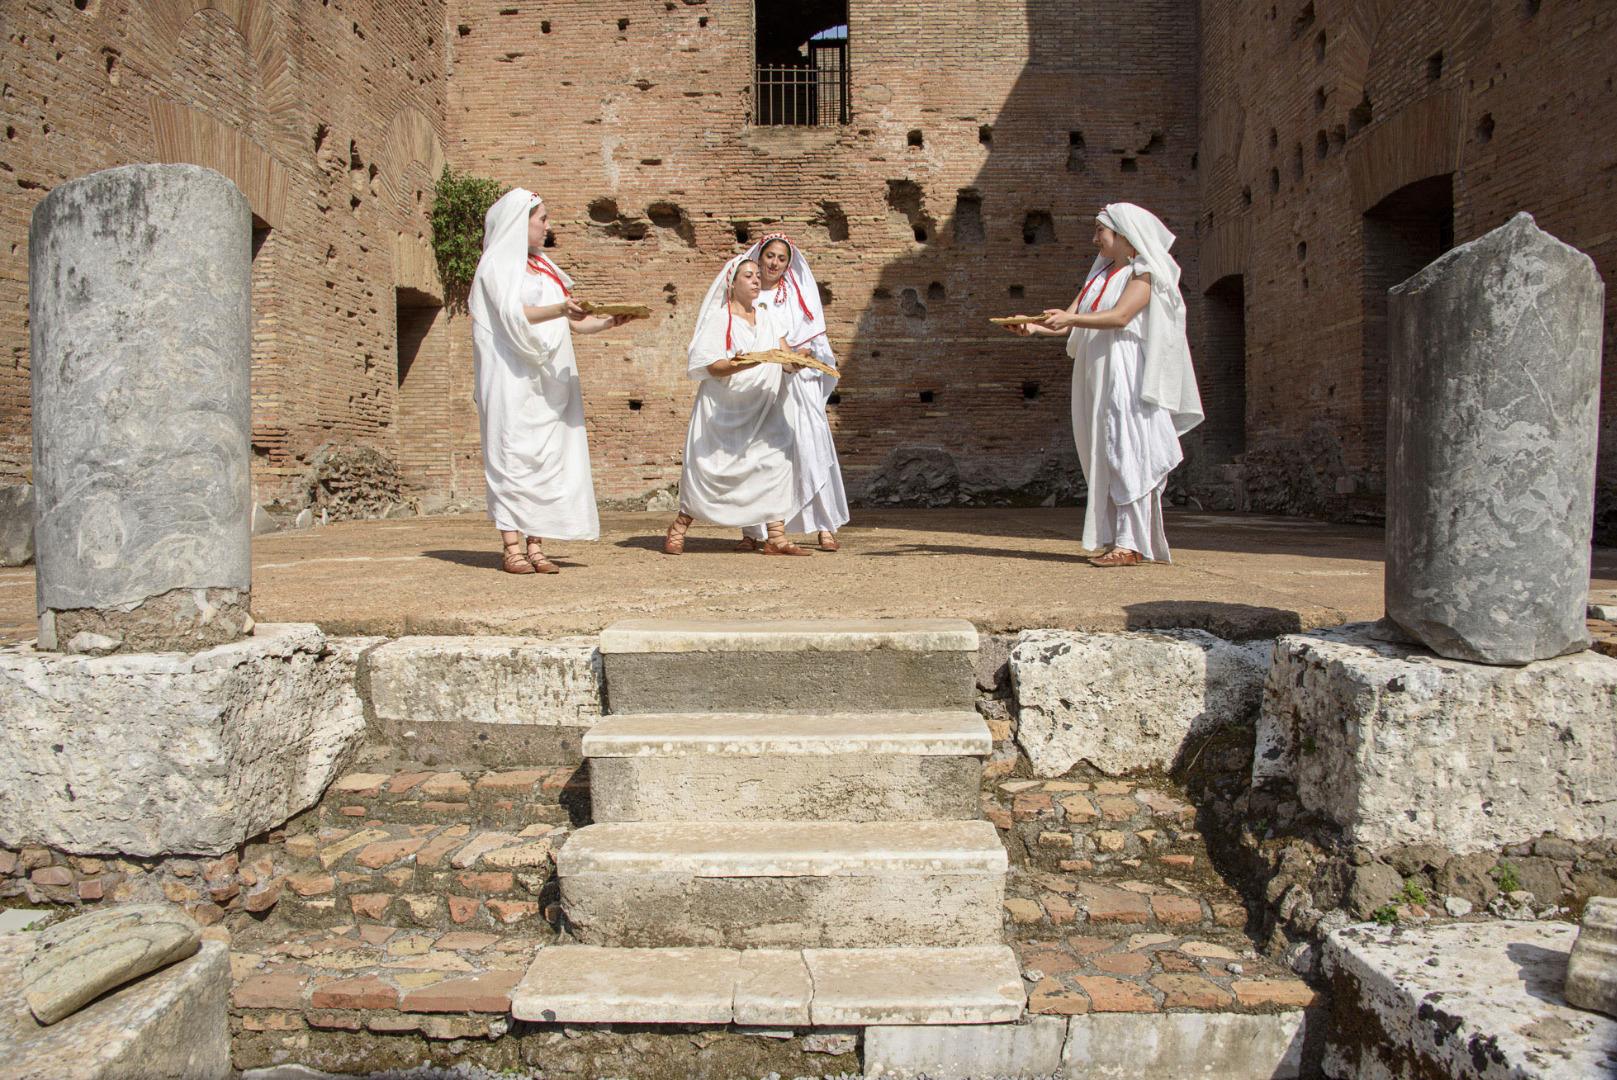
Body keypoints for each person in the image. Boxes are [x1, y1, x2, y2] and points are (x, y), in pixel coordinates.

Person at [1006, 202, 1202, 566]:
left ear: (1126, 238)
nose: (1095, 238)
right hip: (1096, 369)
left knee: (1125, 446)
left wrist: (1073, 316)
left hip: (1125, 370)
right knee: (1102, 448)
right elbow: (1067, 323)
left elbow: (1121, 316)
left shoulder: (1143, 274)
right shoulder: (1098, 277)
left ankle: (1130, 544)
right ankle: (1118, 539)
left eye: (1101, 231)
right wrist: (1030, 325)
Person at [469, 189, 627, 574]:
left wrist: (608, 321)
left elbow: (572, 320)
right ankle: (511, 547)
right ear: (518, 222)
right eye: (542, 218)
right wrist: (559, 308)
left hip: (549, 378)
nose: (548, 226)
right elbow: (512, 315)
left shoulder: (546, 268)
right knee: (511, 454)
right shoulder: (495, 266)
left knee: (547, 457)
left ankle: (536, 545)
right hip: (512, 376)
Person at [664, 255, 813, 556]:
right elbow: (712, 366)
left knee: (775, 462)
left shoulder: (769, 316)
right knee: (716, 472)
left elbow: (784, 361)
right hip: (727, 408)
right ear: (732, 284)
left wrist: (799, 361)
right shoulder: (720, 319)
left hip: (765, 405)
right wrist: (746, 363)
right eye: (748, 276)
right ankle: (679, 526)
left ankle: (776, 537)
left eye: (758, 275)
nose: (757, 280)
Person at [735, 233, 849, 552]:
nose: (774, 263)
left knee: (810, 448)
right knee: (759, 454)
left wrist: (806, 357)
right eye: (769, 256)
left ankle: (824, 526)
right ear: (759, 256)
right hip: (761, 384)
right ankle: (755, 532)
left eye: (781, 259)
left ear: (789, 263)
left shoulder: (797, 296)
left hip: (798, 385)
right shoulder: (746, 295)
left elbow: (817, 342)